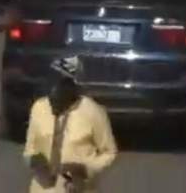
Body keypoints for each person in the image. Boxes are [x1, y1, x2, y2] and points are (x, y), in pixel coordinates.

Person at [24, 57, 117, 193]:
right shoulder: (39, 108)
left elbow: (109, 152)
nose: (53, 89)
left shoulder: (93, 112)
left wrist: (84, 169)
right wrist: (35, 162)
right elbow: (29, 149)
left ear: (74, 87)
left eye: (60, 84)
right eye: (51, 82)